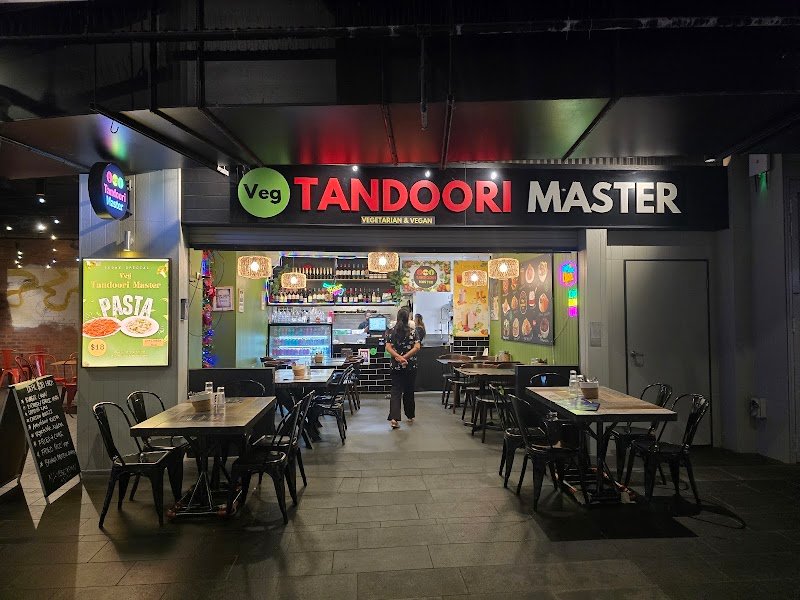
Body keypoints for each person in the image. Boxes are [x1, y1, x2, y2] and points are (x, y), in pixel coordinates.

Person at [385, 307, 420, 429]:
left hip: (395, 366)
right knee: (409, 390)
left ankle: (394, 419)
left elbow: (388, 347)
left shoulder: (391, 331)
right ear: (408, 318)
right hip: (410, 365)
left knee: (396, 391)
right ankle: (410, 415)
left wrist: (398, 357)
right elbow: (417, 347)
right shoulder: (413, 332)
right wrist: (405, 357)